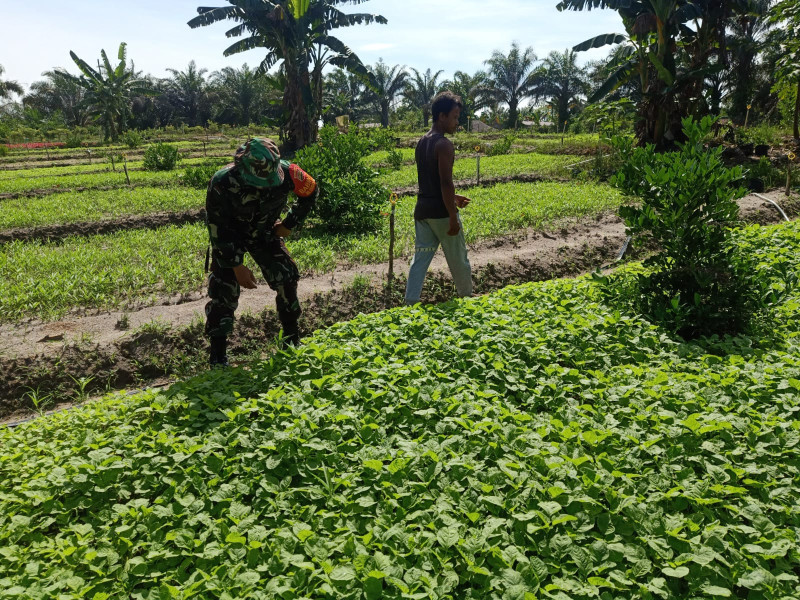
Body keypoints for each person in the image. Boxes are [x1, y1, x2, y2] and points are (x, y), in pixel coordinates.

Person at [204, 137, 318, 367]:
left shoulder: (290, 173)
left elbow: (311, 191)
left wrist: (289, 224)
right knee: (224, 291)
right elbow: (217, 229)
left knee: (286, 277)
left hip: (265, 232)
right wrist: (236, 266)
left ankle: (291, 341)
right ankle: (218, 354)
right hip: (230, 236)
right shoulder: (222, 182)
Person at [404, 91, 473, 305]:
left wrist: (454, 197)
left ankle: (410, 301)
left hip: (423, 211)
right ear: (441, 116)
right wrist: (452, 216)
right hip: (441, 214)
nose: (456, 121)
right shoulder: (444, 145)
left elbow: (430, 182)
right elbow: (444, 183)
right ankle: (467, 298)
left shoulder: (422, 142)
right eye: (454, 116)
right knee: (459, 259)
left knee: (420, 259)